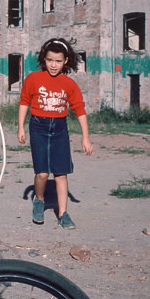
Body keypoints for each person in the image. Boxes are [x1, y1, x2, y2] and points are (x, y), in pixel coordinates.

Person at [18, 37, 94, 230]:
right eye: (50, 60)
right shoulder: (33, 79)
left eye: (58, 61)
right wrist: (20, 127)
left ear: (65, 61)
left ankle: (63, 214)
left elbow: (80, 110)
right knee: (42, 173)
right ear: (44, 59)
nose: (54, 65)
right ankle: (40, 200)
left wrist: (86, 137)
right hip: (38, 127)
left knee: (61, 173)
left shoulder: (69, 84)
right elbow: (25, 102)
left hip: (60, 128)